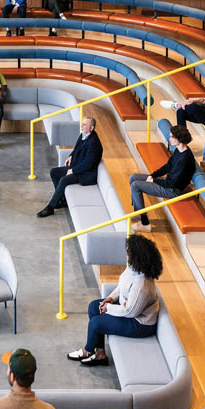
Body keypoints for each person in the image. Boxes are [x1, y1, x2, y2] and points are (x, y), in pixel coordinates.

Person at [68, 233, 163, 366]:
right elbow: (122, 285)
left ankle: (87, 350)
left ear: (136, 256)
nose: (126, 253)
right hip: (128, 307)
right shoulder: (133, 268)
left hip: (139, 324)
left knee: (96, 323)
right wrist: (110, 298)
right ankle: (100, 354)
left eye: (128, 252)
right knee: (94, 307)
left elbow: (130, 311)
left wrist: (108, 308)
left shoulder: (142, 286)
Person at [128, 124, 195, 231]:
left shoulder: (185, 159)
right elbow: (168, 166)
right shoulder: (179, 149)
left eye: (172, 137)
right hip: (168, 182)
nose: (170, 139)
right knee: (133, 177)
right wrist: (153, 175)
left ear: (180, 139)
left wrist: (154, 180)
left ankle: (145, 224)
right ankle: (138, 212)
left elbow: (172, 184)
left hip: (172, 190)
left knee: (136, 185)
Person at [38, 116, 102, 218]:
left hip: (86, 173)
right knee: (53, 172)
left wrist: (73, 170)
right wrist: (70, 156)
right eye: (82, 123)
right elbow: (76, 148)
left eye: (85, 124)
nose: (82, 126)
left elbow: (88, 164)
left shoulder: (93, 142)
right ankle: (62, 200)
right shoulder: (84, 135)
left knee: (63, 180)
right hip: (77, 167)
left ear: (92, 128)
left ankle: (51, 207)